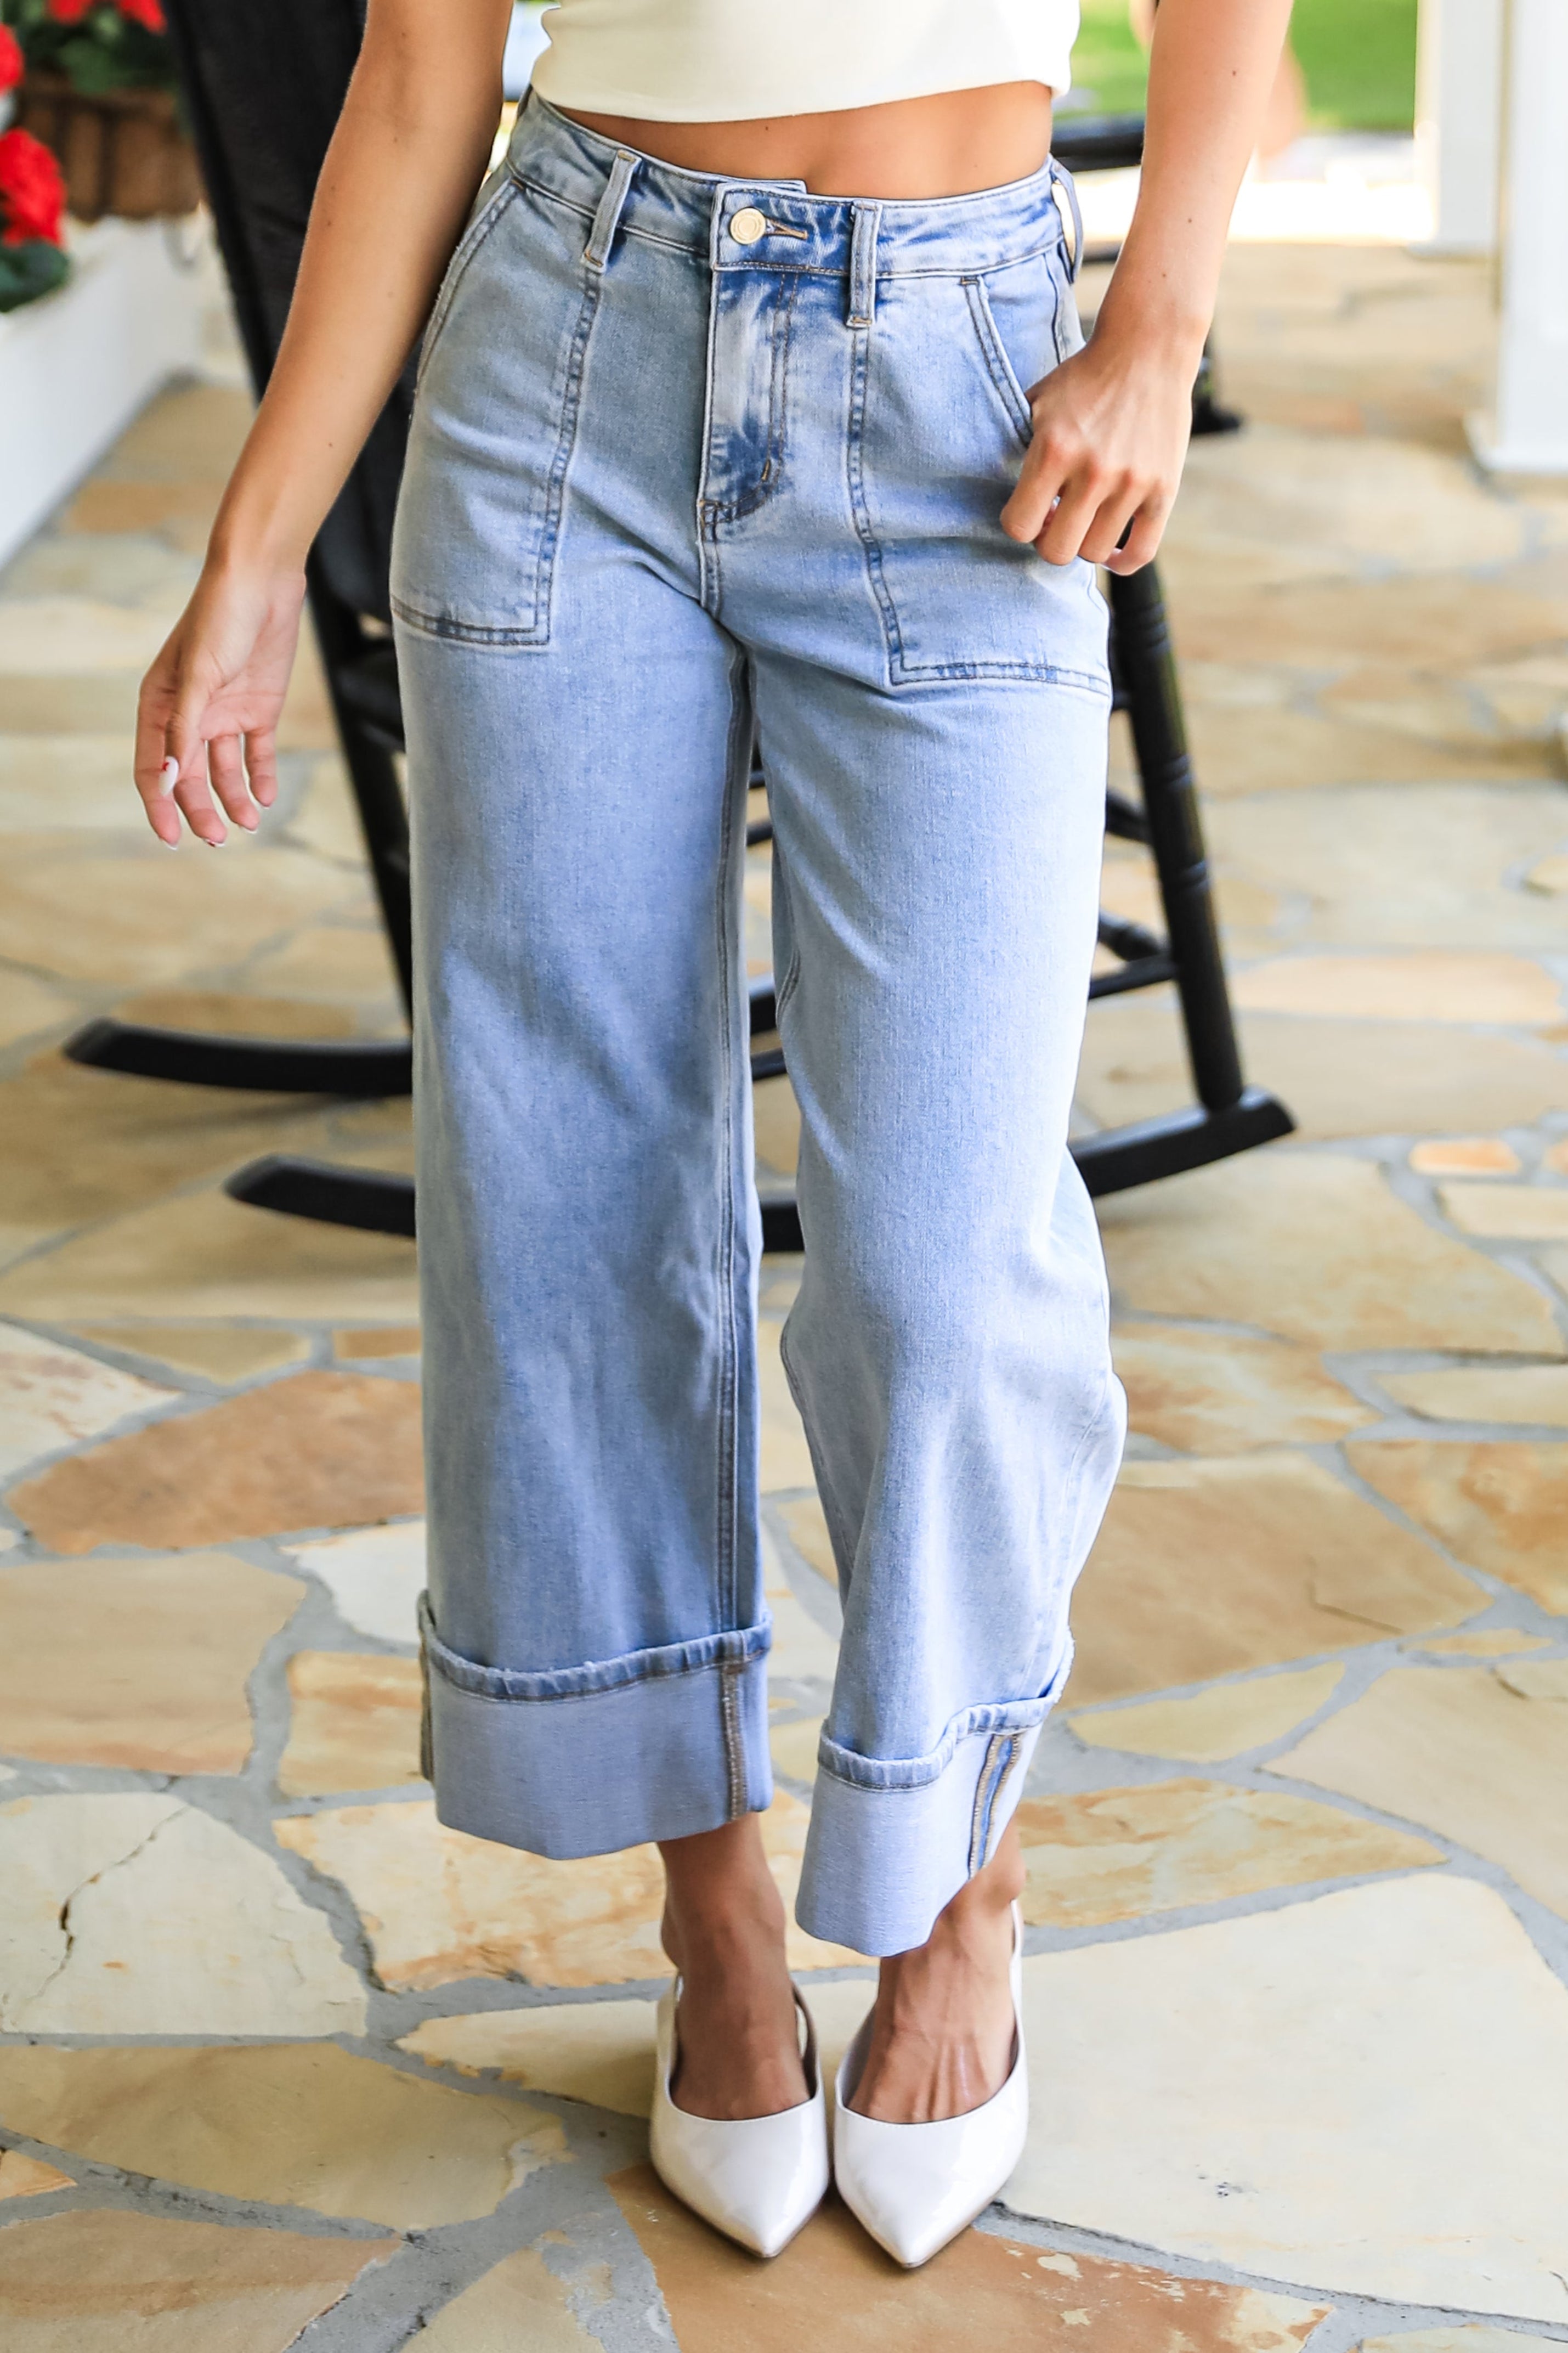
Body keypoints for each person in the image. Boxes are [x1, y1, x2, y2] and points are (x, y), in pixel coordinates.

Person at [134, 0, 1292, 2270]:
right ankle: (716, 1913)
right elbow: (417, 74)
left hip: (963, 370)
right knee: (563, 1200)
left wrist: (1156, 319)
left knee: (946, 1257)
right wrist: (260, 549)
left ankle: (961, 1886)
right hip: (567, 347)